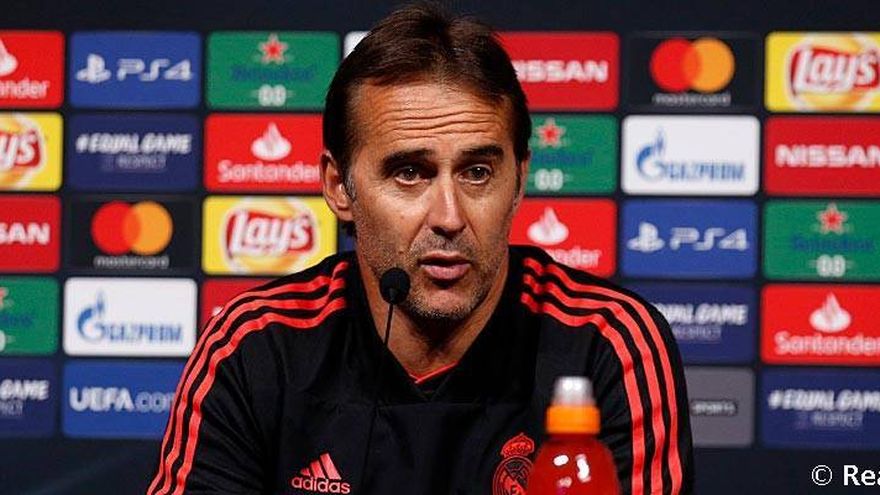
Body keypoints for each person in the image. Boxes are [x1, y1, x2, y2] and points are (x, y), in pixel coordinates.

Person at [147, 4, 694, 494]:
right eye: (409, 173)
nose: (449, 218)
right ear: (339, 187)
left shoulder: (608, 343)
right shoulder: (255, 347)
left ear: (519, 182)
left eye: (478, 172)